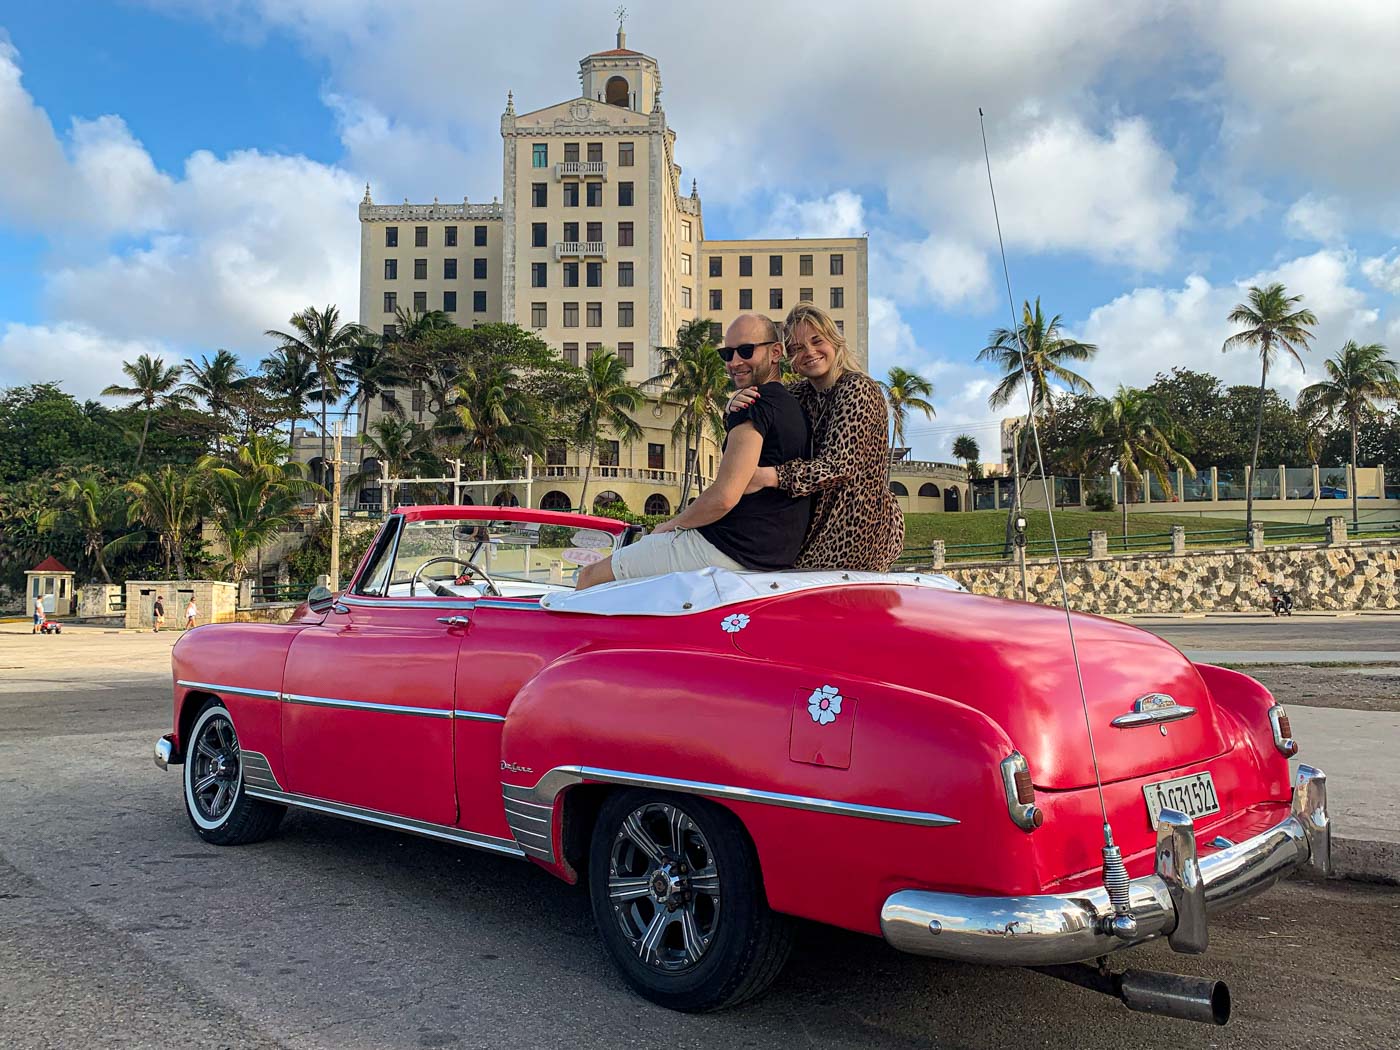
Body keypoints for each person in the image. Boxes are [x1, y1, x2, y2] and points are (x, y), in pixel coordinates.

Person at [576, 313, 811, 588]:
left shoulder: (754, 406)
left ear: (775, 352)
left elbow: (724, 497)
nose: (735, 362)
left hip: (731, 547)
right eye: (727, 353)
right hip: (771, 556)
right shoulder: (793, 407)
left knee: (590, 577)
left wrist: (671, 525)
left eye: (746, 350)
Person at [728, 302, 904, 572]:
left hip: (853, 528)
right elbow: (762, 421)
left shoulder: (858, 388)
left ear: (834, 341)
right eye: (797, 348)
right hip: (812, 525)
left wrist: (770, 476)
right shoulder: (800, 394)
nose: (809, 352)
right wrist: (734, 407)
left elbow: (839, 466)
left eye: (816, 341)